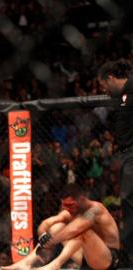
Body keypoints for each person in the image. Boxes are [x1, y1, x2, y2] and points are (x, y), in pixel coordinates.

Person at [2, 183, 120, 270]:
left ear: (81, 199)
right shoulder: (72, 212)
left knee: (82, 230)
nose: (67, 209)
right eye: (65, 205)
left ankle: (55, 264)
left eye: (70, 205)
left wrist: (51, 242)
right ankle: (27, 262)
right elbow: (46, 224)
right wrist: (44, 235)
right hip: (85, 258)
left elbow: (74, 230)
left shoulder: (95, 210)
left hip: (107, 259)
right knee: (57, 226)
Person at [98, 59, 133, 266]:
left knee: (130, 202)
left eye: (103, 84)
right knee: (128, 204)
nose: (102, 89)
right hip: (127, 155)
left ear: (110, 78)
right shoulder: (123, 96)